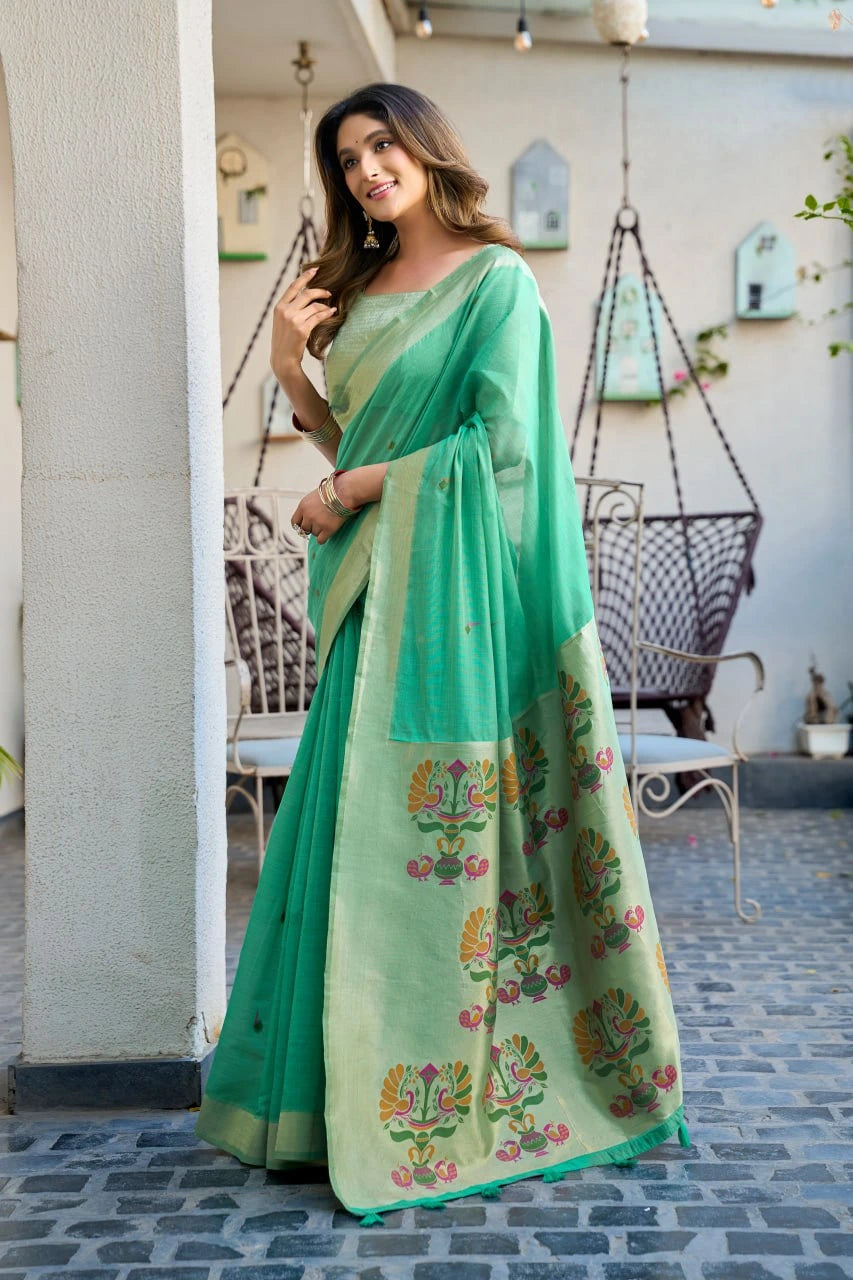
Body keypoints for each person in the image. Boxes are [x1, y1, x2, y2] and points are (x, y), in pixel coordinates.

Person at [195, 82, 688, 1223]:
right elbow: (352, 435)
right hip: (379, 594)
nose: (368, 169)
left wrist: (357, 487)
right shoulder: (358, 290)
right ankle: (318, 1102)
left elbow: (503, 450)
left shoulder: (497, 281)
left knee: (432, 834)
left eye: (382, 144)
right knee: (343, 830)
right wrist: (287, 371)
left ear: (424, 148)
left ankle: (446, 1085)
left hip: (454, 608)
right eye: (348, 158)